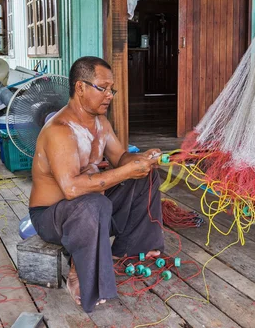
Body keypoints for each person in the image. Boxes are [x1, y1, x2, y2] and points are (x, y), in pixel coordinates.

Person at [28, 56, 165, 313]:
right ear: (80, 87)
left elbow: (120, 158)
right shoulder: (60, 130)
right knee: (94, 202)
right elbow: (71, 189)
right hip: (51, 216)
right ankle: (78, 273)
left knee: (145, 175)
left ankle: (132, 248)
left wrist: (142, 159)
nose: (109, 95)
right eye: (102, 88)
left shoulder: (100, 122)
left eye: (111, 89)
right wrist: (126, 170)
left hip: (91, 205)